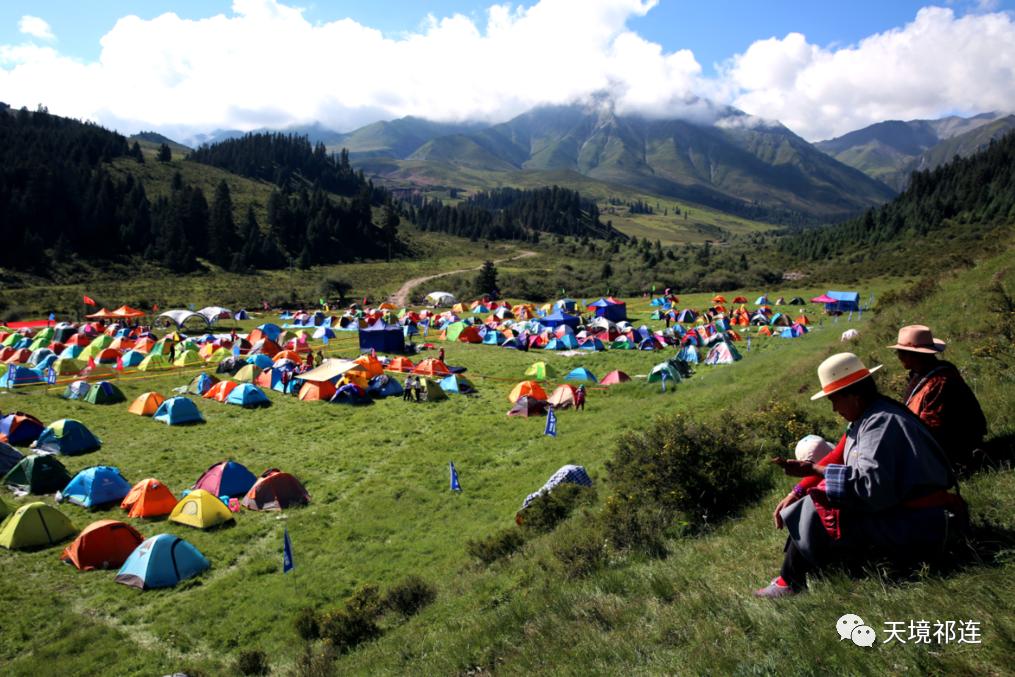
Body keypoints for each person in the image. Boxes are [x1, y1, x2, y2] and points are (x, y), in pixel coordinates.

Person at [755, 352, 963, 598]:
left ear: (853, 394)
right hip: (920, 514)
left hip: (922, 522)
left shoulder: (879, 422)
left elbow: (869, 487)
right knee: (819, 499)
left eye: (835, 400)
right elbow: (842, 457)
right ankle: (801, 572)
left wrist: (813, 474)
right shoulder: (872, 415)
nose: (834, 408)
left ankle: (789, 581)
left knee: (815, 506)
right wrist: (798, 488)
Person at [890, 325, 987, 471]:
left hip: (951, 448)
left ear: (914, 355)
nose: (899, 357)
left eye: (901, 353)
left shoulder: (939, 382)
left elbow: (932, 428)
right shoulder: (923, 374)